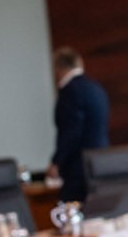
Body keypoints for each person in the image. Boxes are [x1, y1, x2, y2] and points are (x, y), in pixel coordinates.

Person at [47, 46, 109, 203]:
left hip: (78, 167)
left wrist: (57, 161)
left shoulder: (70, 91)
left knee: (71, 211)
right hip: (101, 161)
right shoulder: (96, 88)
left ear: (58, 68)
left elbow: (70, 132)